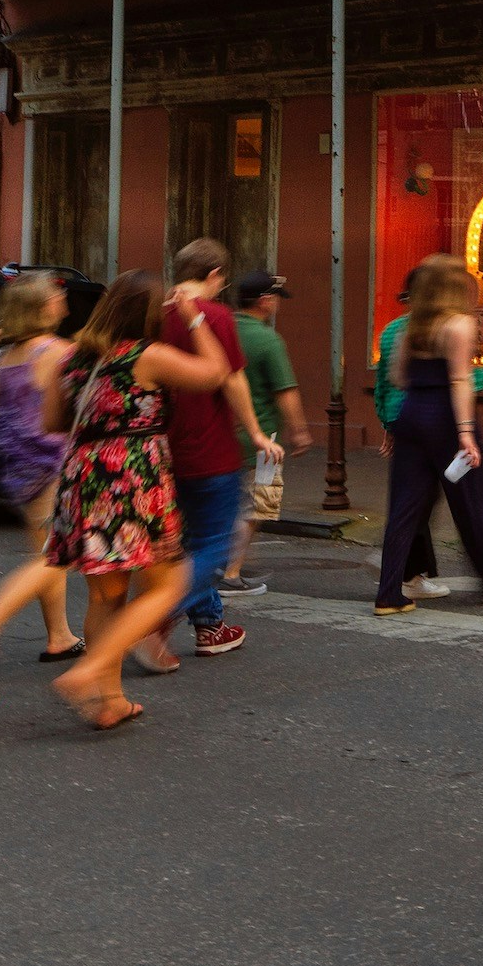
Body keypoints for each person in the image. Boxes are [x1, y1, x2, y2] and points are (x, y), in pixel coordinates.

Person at [40, 272, 218, 733]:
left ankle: (110, 700)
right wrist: (194, 316)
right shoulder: (147, 355)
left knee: (107, 594)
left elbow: (54, 421)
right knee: (168, 585)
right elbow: (213, 374)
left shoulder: (75, 359)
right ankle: (87, 671)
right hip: (135, 478)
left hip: (85, 476)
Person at [374, 256, 483, 612]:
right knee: (470, 501)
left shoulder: (410, 326)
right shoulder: (458, 325)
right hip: (444, 417)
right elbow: (459, 379)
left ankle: (389, 593)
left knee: (403, 507)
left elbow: (398, 376)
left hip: (411, 414)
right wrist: (465, 433)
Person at [0, 271, 86, 672]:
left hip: (18, 468)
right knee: (55, 558)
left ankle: (59, 636)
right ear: (42, 308)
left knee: (45, 553)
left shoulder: (8, 357)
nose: (62, 303)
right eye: (55, 298)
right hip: (55, 464)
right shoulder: (57, 351)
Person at [146, 240, 265, 668]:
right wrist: (255, 432)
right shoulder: (215, 316)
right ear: (214, 275)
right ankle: (151, 621)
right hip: (211, 448)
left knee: (185, 543)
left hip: (164, 450)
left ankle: (211, 626)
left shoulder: (153, 315)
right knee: (216, 544)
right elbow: (231, 380)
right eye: (222, 280)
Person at [220, 270, 299, 596]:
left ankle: (215, 561)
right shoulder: (268, 339)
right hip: (263, 442)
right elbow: (286, 391)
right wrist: (301, 430)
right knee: (258, 506)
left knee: (226, 504)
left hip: (223, 437)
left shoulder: (222, 331)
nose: (279, 304)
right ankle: (231, 573)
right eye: (277, 297)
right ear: (266, 300)